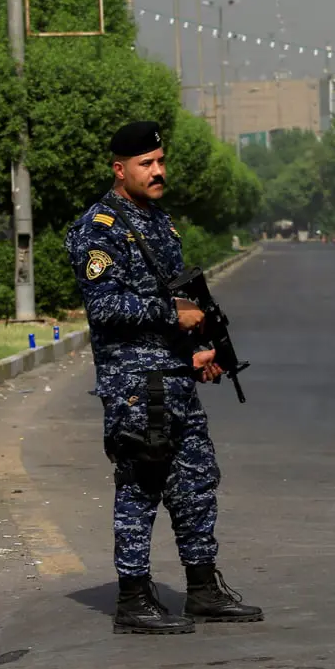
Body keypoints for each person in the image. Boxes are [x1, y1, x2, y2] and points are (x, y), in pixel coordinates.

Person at [65, 120, 263, 635]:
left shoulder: (158, 220)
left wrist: (196, 352)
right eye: (146, 164)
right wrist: (173, 314)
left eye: (160, 161)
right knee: (141, 483)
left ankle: (202, 588)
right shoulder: (101, 228)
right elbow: (105, 307)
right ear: (119, 169)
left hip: (173, 377)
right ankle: (133, 596)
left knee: (196, 481)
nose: (158, 171)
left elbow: (175, 297)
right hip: (136, 384)